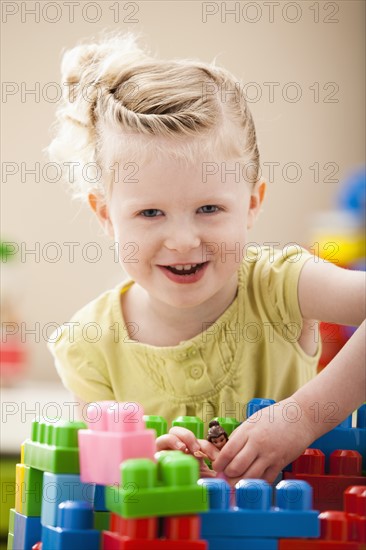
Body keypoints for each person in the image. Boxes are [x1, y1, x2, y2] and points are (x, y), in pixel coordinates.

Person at [47, 31, 365, 484]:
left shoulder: (280, 286)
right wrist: (143, 464)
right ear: (106, 215)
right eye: (150, 212)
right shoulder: (88, 346)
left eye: (209, 209)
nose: (181, 240)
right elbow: (101, 482)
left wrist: (302, 417)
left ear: (252, 203)